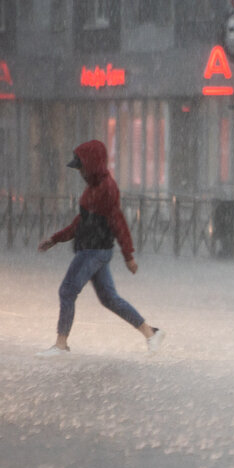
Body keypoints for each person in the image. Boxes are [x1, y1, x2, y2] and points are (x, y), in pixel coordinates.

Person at [36, 140, 164, 357]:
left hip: (94, 250)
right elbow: (82, 221)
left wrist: (128, 255)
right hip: (93, 249)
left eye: (81, 167)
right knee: (109, 298)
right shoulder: (94, 187)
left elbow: (118, 221)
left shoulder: (106, 187)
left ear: (92, 165)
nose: (79, 173)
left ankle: (61, 344)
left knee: (67, 290)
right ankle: (150, 333)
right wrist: (56, 239)